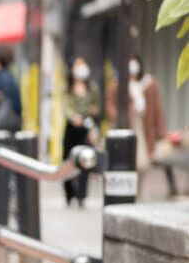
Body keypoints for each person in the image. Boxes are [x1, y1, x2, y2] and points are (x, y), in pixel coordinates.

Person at [107, 53, 166, 178]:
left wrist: (161, 132)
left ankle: (137, 187)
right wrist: (118, 117)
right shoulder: (117, 84)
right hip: (126, 125)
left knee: (142, 163)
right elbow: (110, 104)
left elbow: (157, 109)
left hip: (143, 125)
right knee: (124, 161)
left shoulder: (148, 83)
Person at [62, 57, 101, 207]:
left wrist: (93, 110)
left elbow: (98, 106)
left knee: (86, 160)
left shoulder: (92, 88)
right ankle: (69, 194)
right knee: (68, 160)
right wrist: (74, 117)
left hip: (86, 127)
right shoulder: (68, 89)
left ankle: (81, 196)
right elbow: (66, 107)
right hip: (72, 128)